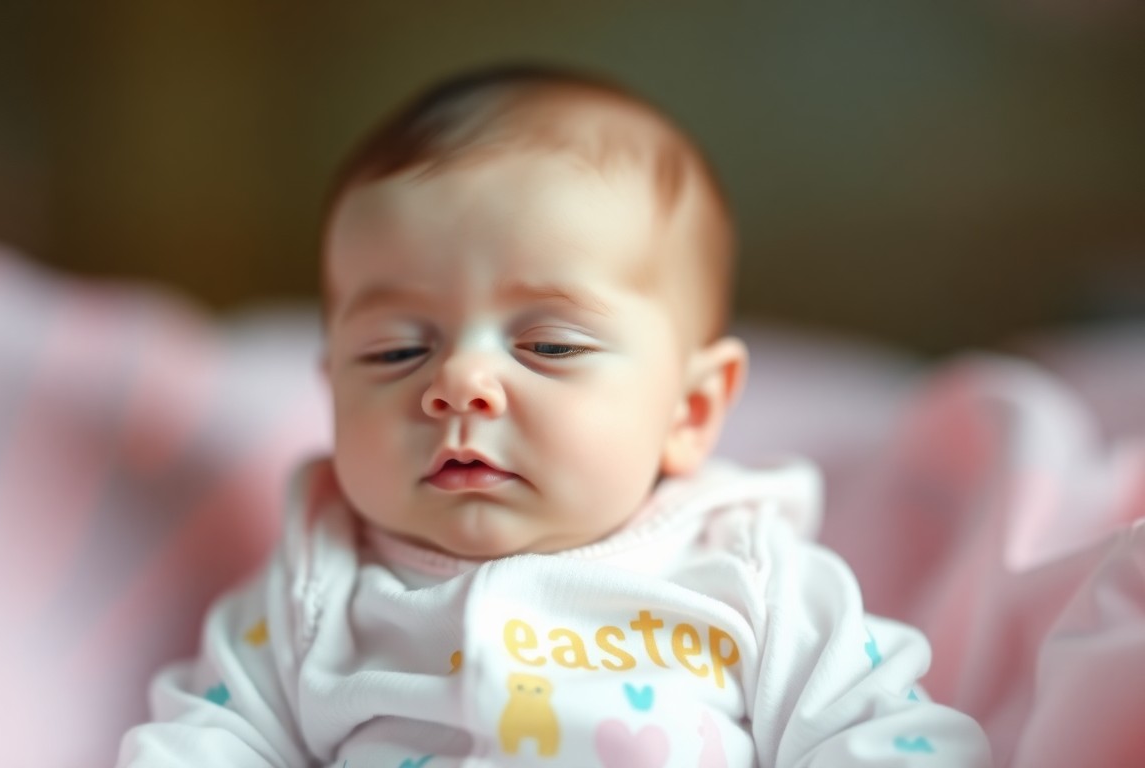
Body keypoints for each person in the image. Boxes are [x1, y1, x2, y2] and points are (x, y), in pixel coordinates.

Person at [117, 64, 991, 766]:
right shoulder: (316, 590)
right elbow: (210, 738)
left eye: (550, 347)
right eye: (393, 352)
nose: (459, 385)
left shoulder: (748, 576)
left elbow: (883, 734)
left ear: (689, 410)